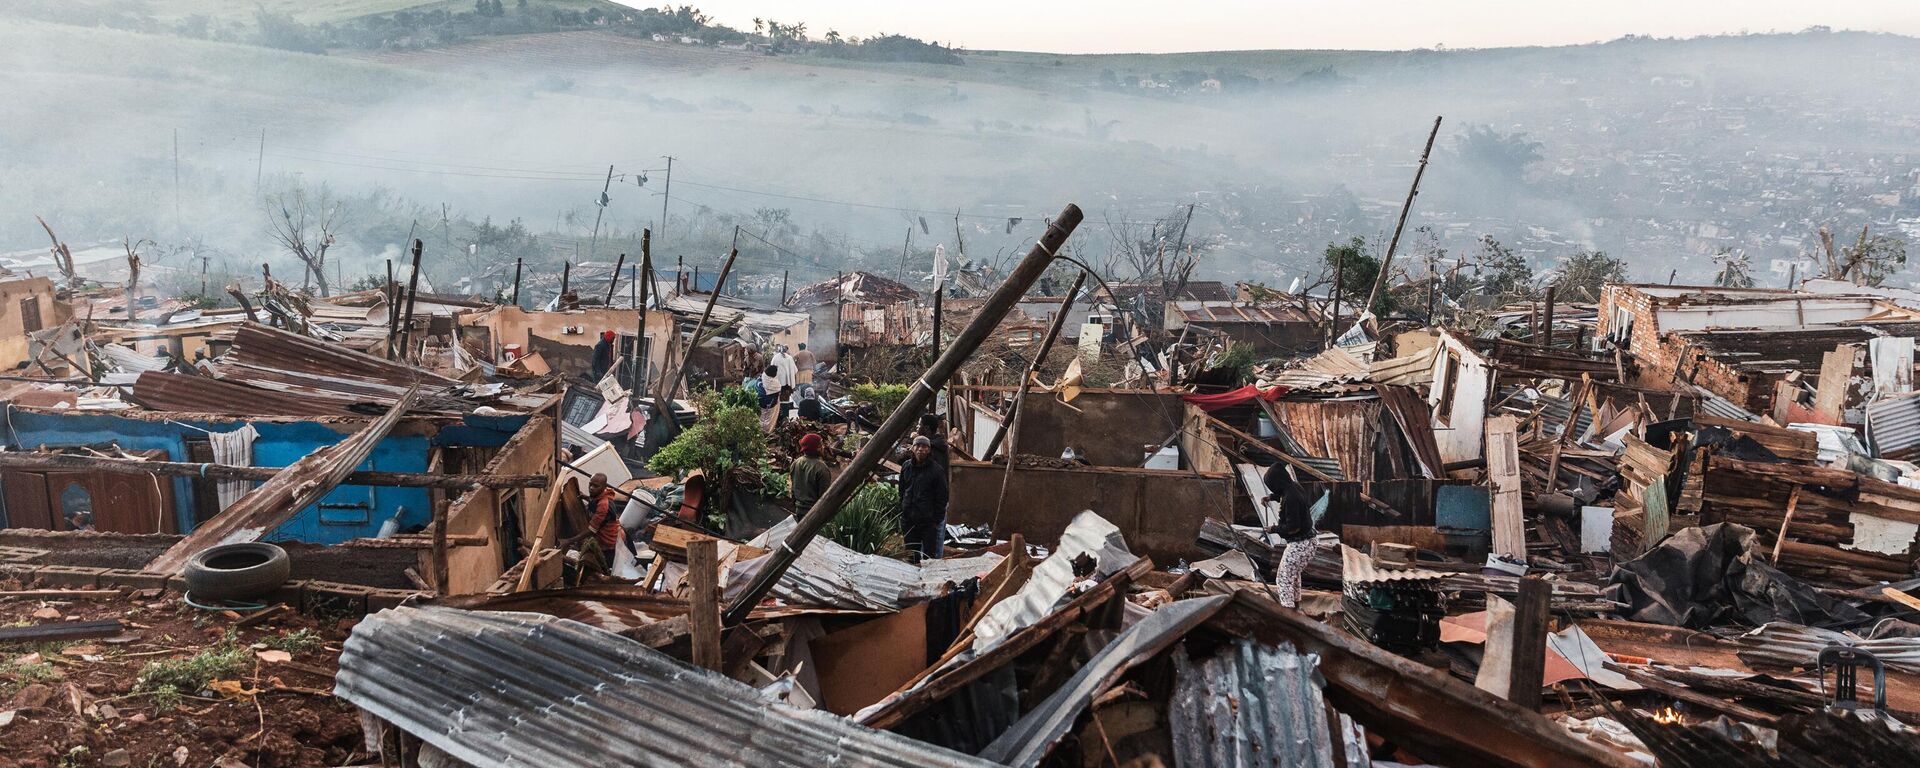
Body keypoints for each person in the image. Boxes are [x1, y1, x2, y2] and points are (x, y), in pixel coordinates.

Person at [1262, 461, 1318, 608]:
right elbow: (1283, 494)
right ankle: (1296, 607)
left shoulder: (1290, 498)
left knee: (1283, 577)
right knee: (1293, 575)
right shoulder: (1294, 486)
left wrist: (1274, 529)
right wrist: (1271, 497)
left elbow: (1293, 528)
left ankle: (1287, 611)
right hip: (1308, 541)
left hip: (1300, 544)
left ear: (1277, 482)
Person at [898, 435, 949, 561]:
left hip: (928, 522)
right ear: (913, 448)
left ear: (929, 450)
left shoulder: (936, 470)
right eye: (918, 446)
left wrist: (936, 520)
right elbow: (902, 490)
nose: (921, 449)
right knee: (911, 555)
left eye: (924, 446)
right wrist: (904, 509)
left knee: (928, 558)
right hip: (909, 520)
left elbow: (942, 497)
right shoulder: (906, 467)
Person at [583, 473, 623, 573]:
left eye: (596, 486)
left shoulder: (603, 505)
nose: (591, 488)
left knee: (606, 570)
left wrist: (569, 540)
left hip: (609, 542)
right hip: (605, 538)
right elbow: (594, 501)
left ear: (604, 487)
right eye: (590, 484)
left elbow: (591, 530)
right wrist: (586, 497)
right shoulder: (599, 495)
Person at [790, 432, 830, 512]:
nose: (823, 447)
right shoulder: (821, 468)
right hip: (813, 512)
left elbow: (793, 488)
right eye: (821, 444)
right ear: (817, 448)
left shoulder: (796, 462)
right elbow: (824, 496)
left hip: (798, 508)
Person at [758, 364, 782, 432]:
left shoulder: (762, 378)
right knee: (770, 419)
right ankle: (769, 431)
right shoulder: (777, 385)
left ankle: (759, 431)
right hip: (772, 406)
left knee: (761, 417)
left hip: (760, 404)